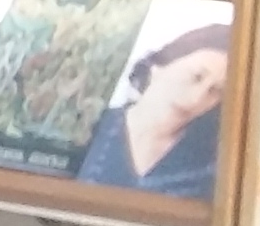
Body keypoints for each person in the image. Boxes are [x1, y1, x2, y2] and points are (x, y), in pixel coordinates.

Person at [77, 22, 227, 200]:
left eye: (215, 91)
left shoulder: (208, 162)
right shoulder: (90, 125)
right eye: (196, 77)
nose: (196, 99)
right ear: (160, 66)